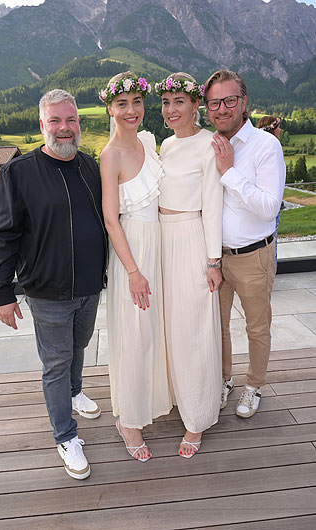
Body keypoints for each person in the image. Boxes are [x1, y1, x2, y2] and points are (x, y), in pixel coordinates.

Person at [0, 89, 108, 480]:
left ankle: (74, 393)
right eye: (55, 120)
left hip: (89, 284)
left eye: (70, 120)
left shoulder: (90, 166)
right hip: (47, 290)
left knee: (79, 345)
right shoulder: (18, 173)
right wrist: (2, 292)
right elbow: (3, 235)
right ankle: (65, 435)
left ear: (79, 123)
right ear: (42, 125)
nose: (64, 128)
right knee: (55, 362)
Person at [204, 70, 286, 418]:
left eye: (229, 100)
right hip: (215, 259)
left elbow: (269, 207)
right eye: (214, 102)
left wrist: (228, 172)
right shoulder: (207, 144)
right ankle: (223, 380)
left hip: (254, 256)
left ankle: (253, 386)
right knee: (216, 326)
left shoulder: (266, 145)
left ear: (244, 102)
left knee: (257, 327)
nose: (222, 108)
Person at [99, 72, 172, 462]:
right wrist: (132, 271)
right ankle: (128, 419)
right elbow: (111, 219)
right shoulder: (110, 155)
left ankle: (150, 400)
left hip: (158, 244)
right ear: (110, 108)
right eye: (122, 104)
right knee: (135, 334)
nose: (132, 111)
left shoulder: (148, 140)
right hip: (134, 250)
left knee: (154, 332)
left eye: (137, 103)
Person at [155, 72, 223, 458]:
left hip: (192, 238)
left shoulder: (206, 145)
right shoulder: (164, 144)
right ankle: (181, 394)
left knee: (195, 329)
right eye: (166, 102)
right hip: (163, 240)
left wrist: (212, 260)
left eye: (179, 101)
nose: (171, 109)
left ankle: (197, 419)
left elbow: (213, 205)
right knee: (172, 328)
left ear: (196, 105)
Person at [257, 116, 284, 263]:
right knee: (272, 239)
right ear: (272, 129)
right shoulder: (273, 148)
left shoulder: (258, 146)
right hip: (270, 205)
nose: (280, 130)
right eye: (278, 127)